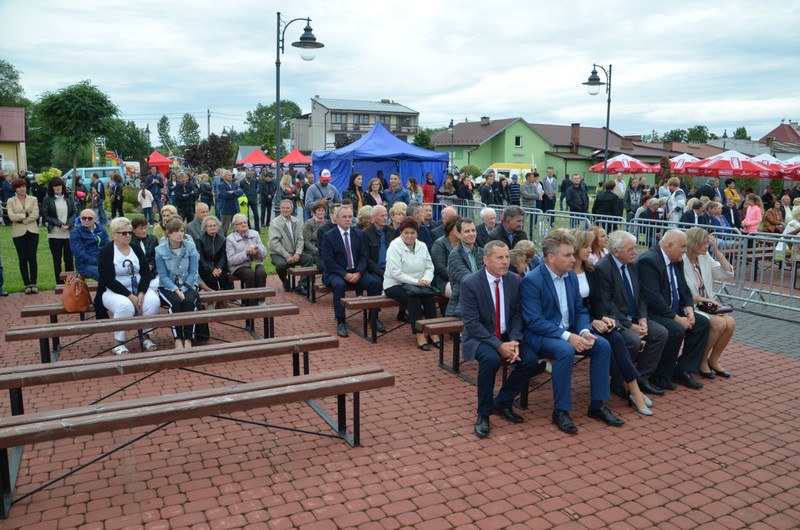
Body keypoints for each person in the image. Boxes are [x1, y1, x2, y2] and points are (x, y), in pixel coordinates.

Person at [520, 229, 622, 434]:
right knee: (565, 350)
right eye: (567, 255)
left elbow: (580, 310)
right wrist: (569, 337)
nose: (573, 259)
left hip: (570, 331)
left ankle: (597, 405)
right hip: (541, 335)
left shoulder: (571, 277)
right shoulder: (532, 280)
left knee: (602, 345)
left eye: (572, 254)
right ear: (551, 257)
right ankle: (561, 411)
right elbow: (534, 321)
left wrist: (584, 331)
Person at [462, 240, 544, 438]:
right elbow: (472, 324)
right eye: (499, 257)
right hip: (481, 337)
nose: (505, 261)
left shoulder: (514, 280)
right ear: (485, 260)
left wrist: (514, 340)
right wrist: (499, 345)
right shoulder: (470, 283)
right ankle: (484, 413)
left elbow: (517, 313)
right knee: (490, 360)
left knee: (530, 361)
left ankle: (503, 401)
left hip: (508, 335)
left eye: (507, 257)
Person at [572, 229, 653, 416]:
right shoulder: (567, 273)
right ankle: (630, 388)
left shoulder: (590, 270)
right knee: (609, 343)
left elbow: (598, 302)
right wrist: (592, 321)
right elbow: (571, 308)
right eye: (586, 246)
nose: (590, 250)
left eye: (590, 245)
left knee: (615, 337)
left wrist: (602, 317)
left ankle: (632, 388)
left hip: (592, 319)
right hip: (577, 323)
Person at [637, 229, 711, 391]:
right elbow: (652, 298)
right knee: (676, 329)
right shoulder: (649, 261)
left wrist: (689, 312)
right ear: (669, 245)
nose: (685, 250)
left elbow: (684, 289)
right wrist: (677, 319)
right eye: (683, 246)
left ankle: (683, 369)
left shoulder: (677, 259)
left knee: (702, 323)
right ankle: (660, 375)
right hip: (654, 312)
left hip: (674, 309)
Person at [98, 217, 161, 355]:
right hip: (114, 291)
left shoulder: (136, 249)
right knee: (124, 306)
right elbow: (108, 280)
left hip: (138, 289)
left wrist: (141, 293)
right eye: (124, 233)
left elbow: (145, 274)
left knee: (153, 301)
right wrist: (130, 296)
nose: (128, 235)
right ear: (114, 235)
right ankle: (118, 342)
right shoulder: (107, 251)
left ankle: (146, 337)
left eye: (129, 232)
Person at [321, 205, 385, 338]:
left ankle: (373, 317)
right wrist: (344, 274)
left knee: (374, 283)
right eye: (344, 217)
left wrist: (359, 272)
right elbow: (328, 261)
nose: (347, 219)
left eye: (350, 217)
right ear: (337, 219)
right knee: (339, 285)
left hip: (356, 272)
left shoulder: (359, 234)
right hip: (336, 273)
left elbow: (364, 256)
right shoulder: (328, 236)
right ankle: (341, 321)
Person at [682, 227, 735, 379]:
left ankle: (713, 360)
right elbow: (683, 293)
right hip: (690, 306)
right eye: (704, 243)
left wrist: (717, 252)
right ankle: (702, 360)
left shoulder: (704, 257)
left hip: (706, 305)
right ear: (694, 243)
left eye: (707, 243)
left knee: (730, 323)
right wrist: (704, 299)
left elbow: (727, 274)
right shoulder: (681, 260)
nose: (707, 246)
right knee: (719, 323)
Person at [383, 216, 439, 349]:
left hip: (418, 284)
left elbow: (429, 267)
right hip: (395, 284)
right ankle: (419, 333)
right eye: (406, 233)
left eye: (413, 232)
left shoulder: (422, 246)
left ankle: (433, 331)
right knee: (413, 298)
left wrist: (426, 280)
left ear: (417, 233)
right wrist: (417, 282)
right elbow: (396, 273)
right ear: (401, 233)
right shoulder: (394, 247)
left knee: (429, 296)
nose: (409, 236)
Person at [155, 218, 200, 350]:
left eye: (182, 231)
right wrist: (176, 290)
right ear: (168, 233)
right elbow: (163, 276)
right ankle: (178, 338)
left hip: (189, 284)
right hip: (168, 286)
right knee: (175, 302)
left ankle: (188, 338)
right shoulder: (160, 250)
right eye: (176, 231)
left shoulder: (190, 247)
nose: (180, 234)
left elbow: (193, 271)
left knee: (189, 301)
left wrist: (184, 288)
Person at [269, 199, 313, 295]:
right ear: (280, 209)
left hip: (294, 252)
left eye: (287, 208)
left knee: (308, 259)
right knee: (281, 265)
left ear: (292, 209)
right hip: (278, 253)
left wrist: (298, 253)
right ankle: (285, 281)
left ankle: (302, 285)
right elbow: (274, 243)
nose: (285, 210)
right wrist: (287, 256)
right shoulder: (275, 223)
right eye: (283, 208)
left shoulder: (296, 221)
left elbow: (300, 239)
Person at [7, 178, 40, 294]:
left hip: (32, 231)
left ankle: (33, 283)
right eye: (19, 187)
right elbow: (11, 216)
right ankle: (26, 284)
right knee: (22, 258)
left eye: (24, 186)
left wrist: (21, 218)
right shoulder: (11, 201)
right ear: (15, 189)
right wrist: (25, 215)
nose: (22, 189)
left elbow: (35, 215)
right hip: (18, 233)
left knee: (32, 257)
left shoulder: (33, 199)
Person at [226, 213, 267, 305]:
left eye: (245, 222)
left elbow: (264, 254)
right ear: (235, 227)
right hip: (238, 266)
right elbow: (231, 260)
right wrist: (245, 253)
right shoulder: (230, 239)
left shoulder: (255, 234)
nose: (244, 224)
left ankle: (261, 300)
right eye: (240, 223)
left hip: (255, 262)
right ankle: (251, 303)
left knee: (261, 273)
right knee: (250, 274)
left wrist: (257, 249)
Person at [446, 218, 483, 317]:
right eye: (467, 231)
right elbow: (467, 280)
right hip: (462, 303)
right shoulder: (454, 255)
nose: (471, 234)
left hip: (482, 299)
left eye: (473, 230)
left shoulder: (481, 252)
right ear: (458, 234)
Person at [43, 177, 75, 284]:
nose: (58, 187)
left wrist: (68, 225)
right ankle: (59, 284)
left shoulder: (69, 198)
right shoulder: (47, 199)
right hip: (54, 234)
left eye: (60, 185)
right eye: (55, 186)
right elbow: (46, 216)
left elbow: (74, 213)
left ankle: (70, 283)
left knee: (69, 260)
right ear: (52, 188)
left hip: (68, 234)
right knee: (57, 260)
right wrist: (60, 224)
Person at [430, 215, 461, 311]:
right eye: (458, 228)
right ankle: (454, 314)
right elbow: (440, 268)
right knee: (463, 293)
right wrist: (458, 278)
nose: (461, 230)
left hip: (462, 279)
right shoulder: (439, 244)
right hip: (443, 280)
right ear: (450, 230)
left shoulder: (464, 243)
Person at [196, 215, 233, 291]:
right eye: (210, 226)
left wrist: (219, 268)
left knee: (224, 276)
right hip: (205, 268)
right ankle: (213, 297)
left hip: (219, 266)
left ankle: (228, 296)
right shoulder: (200, 240)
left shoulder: (222, 239)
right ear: (205, 228)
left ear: (218, 227)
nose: (212, 227)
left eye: (214, 225)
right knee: (211, 278)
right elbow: (201, 258)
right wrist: (212, 269)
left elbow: (223, 256)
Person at [70, 209, 110, 281]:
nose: (87, 220)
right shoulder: (76, 232)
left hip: (103, 261)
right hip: (84, 264)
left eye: (90, 218)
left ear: (95, 219)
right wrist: (97, 262)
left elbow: (108, 247)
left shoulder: (101, 230)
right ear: (80, 219)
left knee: (119, 272)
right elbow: (79, 253)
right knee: (104, 274)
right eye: (84, 218)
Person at [361, 205, 396, 281]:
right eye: (382, 216)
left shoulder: (392, 231)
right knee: (376, 282)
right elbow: (366, 258)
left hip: (391, 268)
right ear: (373, 217)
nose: (385, 218)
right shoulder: (365, 233)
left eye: (386, 215)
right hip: (374, 270)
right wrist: (381, 273)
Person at [217, 170, 243, 235]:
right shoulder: (221, 185)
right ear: (224, 177)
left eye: (231, 175)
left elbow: (241, 192)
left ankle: (236, 239)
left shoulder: (234, 184)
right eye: (228, 175)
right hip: (226, 210)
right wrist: (236, 193)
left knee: (237, 228)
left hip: (235, 209)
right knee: (224, 229)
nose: (230, 176)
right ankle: (223, 240)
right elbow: (225, 195)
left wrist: (233, 192)